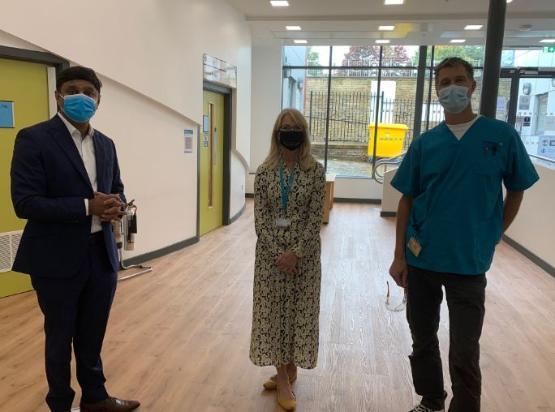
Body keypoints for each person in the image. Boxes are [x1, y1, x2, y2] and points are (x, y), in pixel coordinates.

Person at [389, 57, 539, 412]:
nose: (451, 87)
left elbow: (517, 188)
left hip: (469, 262)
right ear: (437, 91)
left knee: (464, 347)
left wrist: (494, 231)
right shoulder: (427, 144)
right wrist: (399, 256)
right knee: (422, 339)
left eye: (458, 80)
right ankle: (431, 401)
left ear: (472, 87)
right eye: (444, 82)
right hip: (422, 257)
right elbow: (407, 200)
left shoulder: (501, 137)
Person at [10, 66, 140, 412]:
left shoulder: (105, 144)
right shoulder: (33, 138)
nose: (80, 96)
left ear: (98, 99)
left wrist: (117, 205)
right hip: (55, 258)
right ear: (58, 96)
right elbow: (24, 202)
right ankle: (60, 405)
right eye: (72, 90)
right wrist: (87, 206)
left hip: (101, 256)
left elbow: (116, 187)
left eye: (88, 91)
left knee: (91, 335)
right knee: (59, 338)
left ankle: (95, 398)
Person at [249, 108, 325, 411]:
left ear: (303, 132)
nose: (289, 131)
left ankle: (291, 367)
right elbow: (261, 219)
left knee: (298, 313)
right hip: (270, 258)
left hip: (304, 257)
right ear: (276, 133)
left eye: (295, 127)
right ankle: (282, 377)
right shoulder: (265, 171)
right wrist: (278, 255)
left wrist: (296, 253)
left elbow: (314, 217)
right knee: (273, 314)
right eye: (284, 127)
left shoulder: (315, 170)